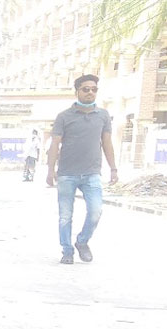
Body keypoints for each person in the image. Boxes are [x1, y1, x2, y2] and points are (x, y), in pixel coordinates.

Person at [46, 74, 118, 264]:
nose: (90, 92)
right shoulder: (64, 117)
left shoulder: (103, 116)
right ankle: (67, 251)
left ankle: (82, 241)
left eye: (94, 89)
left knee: (96, 211)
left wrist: (113, 168)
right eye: (86, 89)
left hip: (92, 174)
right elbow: (54, 144)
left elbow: (107, 143)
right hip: (66, 174)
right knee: (65, 216)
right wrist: (50, 170)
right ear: (77, 91)